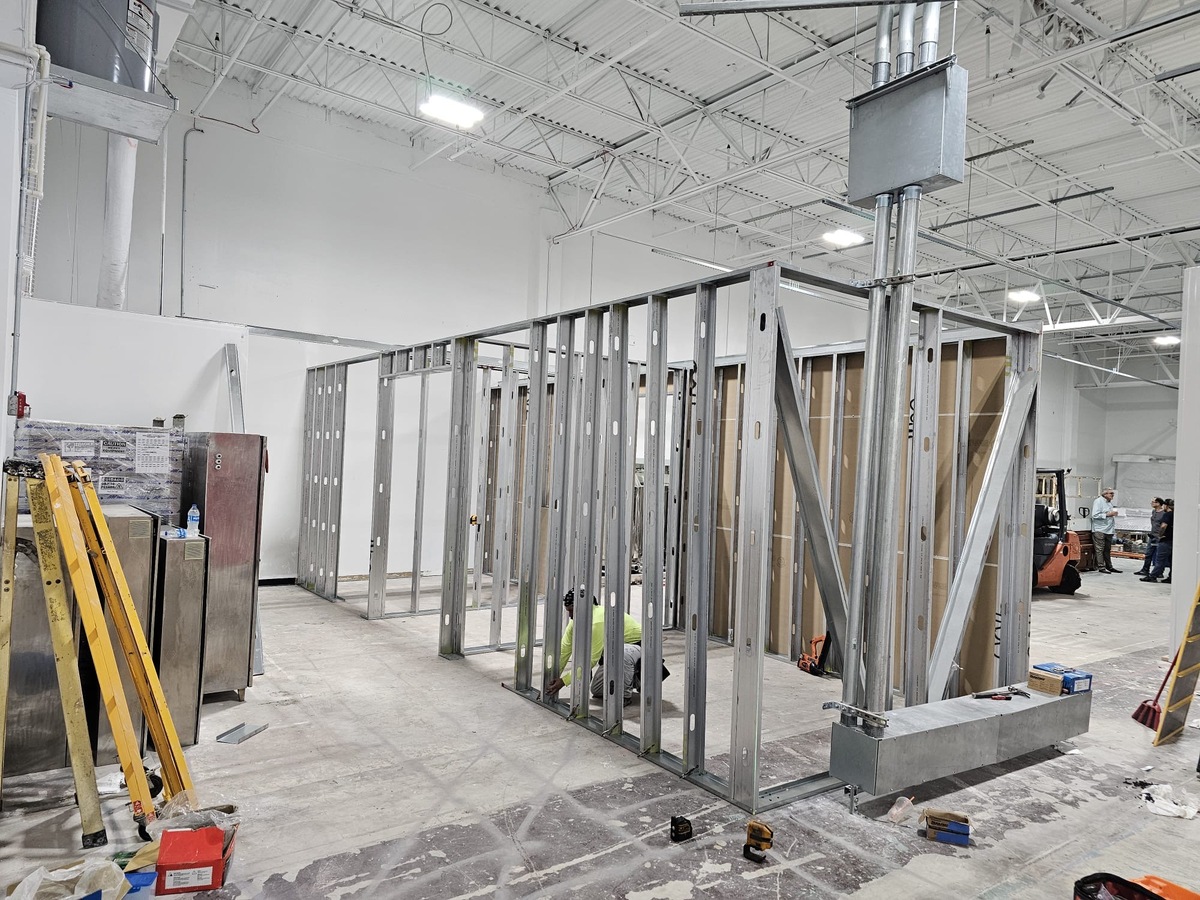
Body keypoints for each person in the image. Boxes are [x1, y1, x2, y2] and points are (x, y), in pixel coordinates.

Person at [546, 589, 643, 705]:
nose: (570, 616)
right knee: (597, 690)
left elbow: (591, 660)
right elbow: (564, 650)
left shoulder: (597, 622)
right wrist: (551, 677)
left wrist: (563, 681)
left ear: (582, 608)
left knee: (622, 653)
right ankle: (631, 677)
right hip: (613, 653)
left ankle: (625, 694)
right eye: (568, 611)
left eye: (572, 611)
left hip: (639, 647)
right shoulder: (575, 620)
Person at [1141, 498, 1173, 583]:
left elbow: (1163, 526)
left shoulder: (1167, 514)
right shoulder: (1176, 514)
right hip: (1173, 540)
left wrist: (1160, 535)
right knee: (1171, 560)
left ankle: (1153, 576)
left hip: (1164, 540)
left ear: (1166, 505)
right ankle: (1171, 577)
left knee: (1160, 560)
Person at [1091, 488, 1121, 574]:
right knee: (1099, 549)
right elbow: (1095, 515)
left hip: (1109, 530)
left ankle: (1109, 566)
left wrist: (1112, 514)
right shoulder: (1098, 501)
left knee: (1107, 549)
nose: (1112, 495)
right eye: (1111, 493)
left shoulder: (1109, 503)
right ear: (1105, 494)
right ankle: (1101, 567)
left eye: (1113, 493)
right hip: (1099, 529)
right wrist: (1108, 514)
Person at [1135, 498, 1166, 577]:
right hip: (1152, 536)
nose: (1152, 503)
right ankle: (1145, 570)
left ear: (1158, 503)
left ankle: (1159, 572)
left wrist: (1160, 535)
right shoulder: (1154, 511)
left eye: (1153, 502)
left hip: (1159, 537)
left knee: (1159, 556)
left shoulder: (1163, 513)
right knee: (1148, 554)